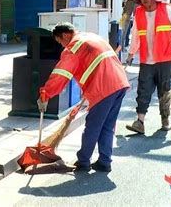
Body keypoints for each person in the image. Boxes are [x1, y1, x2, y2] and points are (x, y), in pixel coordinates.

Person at [37, 22, 130, 172]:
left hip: (104, 87)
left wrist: (46, 93)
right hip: (120, 83)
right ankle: (104, 161)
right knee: (107, 125)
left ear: (66, 35)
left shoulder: (74, 47)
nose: (62, 45)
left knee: (93, 126)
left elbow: (61, 74)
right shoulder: (91, 36)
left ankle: (83, 161)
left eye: (60, 41)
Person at [125, 0, 171, 134]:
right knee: (143, 90)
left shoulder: (167, 10)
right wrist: (131, 53)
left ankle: (165, 119)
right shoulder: (138, 13)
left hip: (164, 58)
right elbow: (136, 34)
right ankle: (140, 122)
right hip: (146, 59)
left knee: (164, 91)